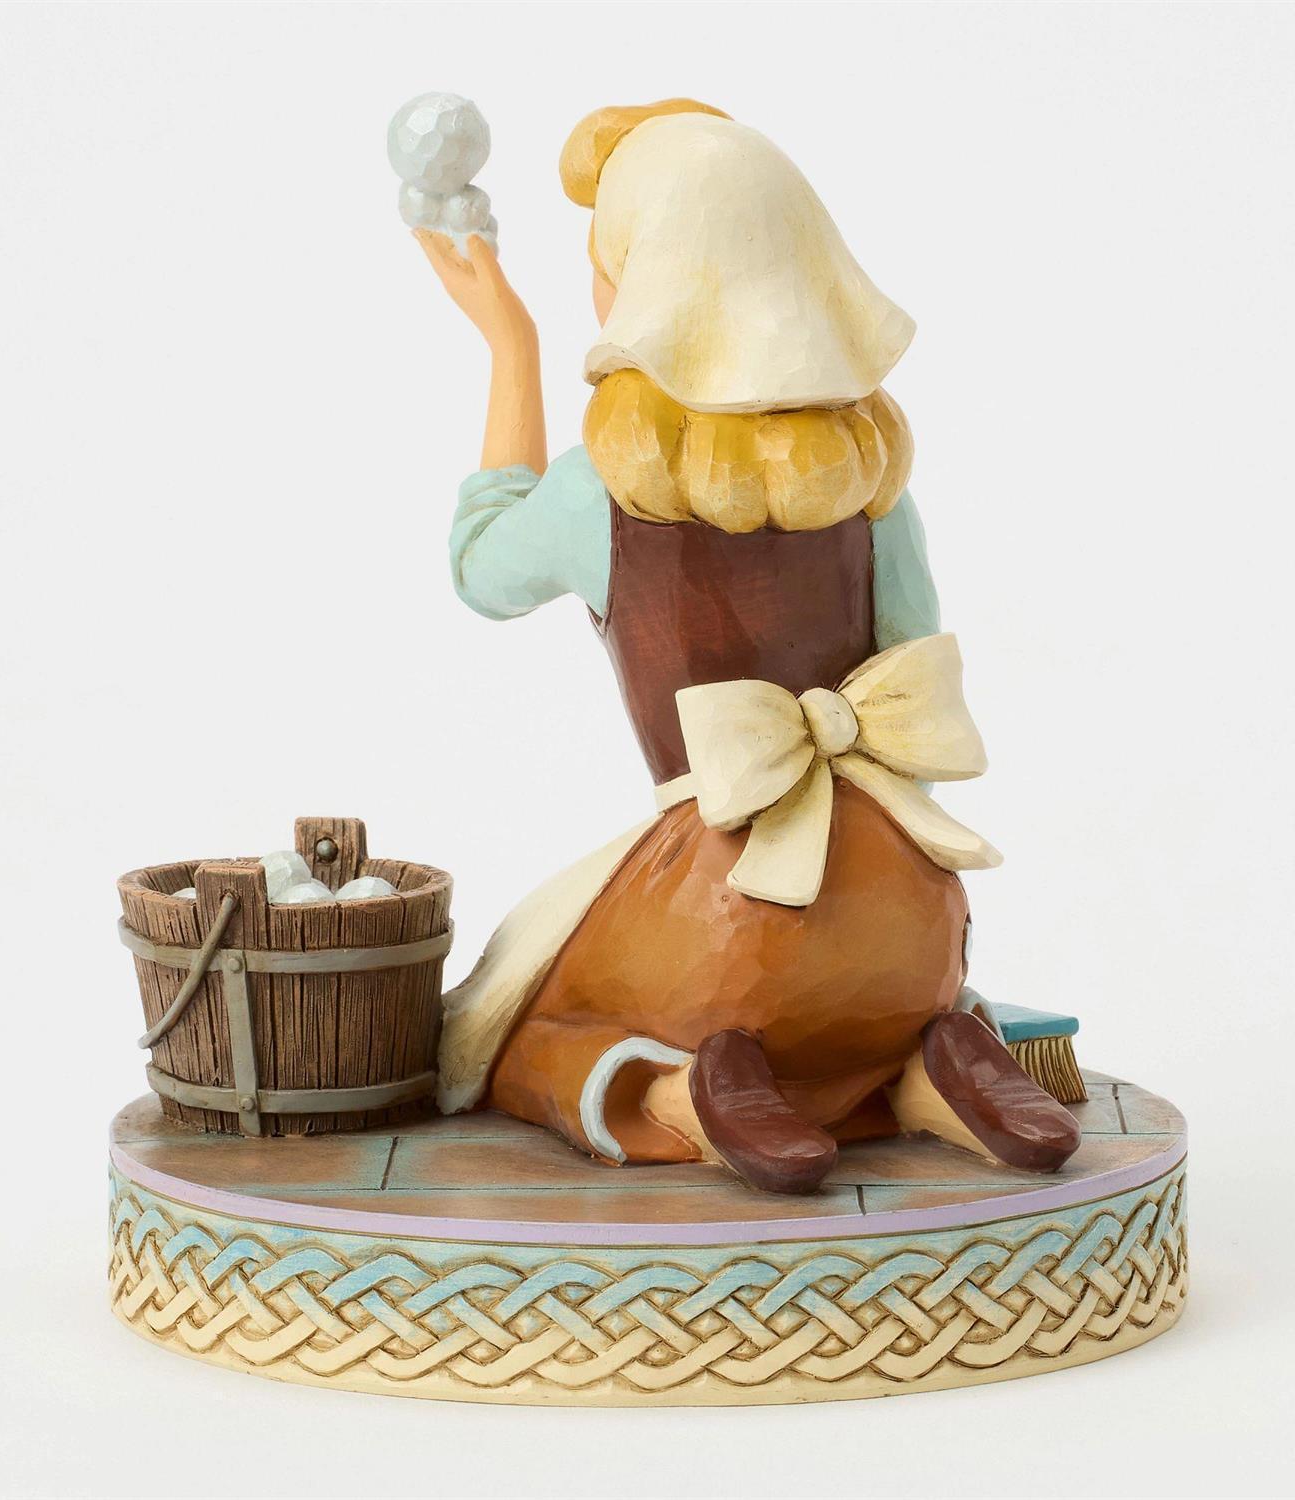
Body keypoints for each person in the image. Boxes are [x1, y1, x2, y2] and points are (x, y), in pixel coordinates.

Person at [412, 101, 1078, 1193]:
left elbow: (479, 567)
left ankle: (681, 1089)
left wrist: (509, 342)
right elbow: (911, 674)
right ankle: (927, 1056)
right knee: (866, 987)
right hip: (909, 920)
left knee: (507, 1022)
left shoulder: (600, 492)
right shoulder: (872, 484)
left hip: (722, 914)